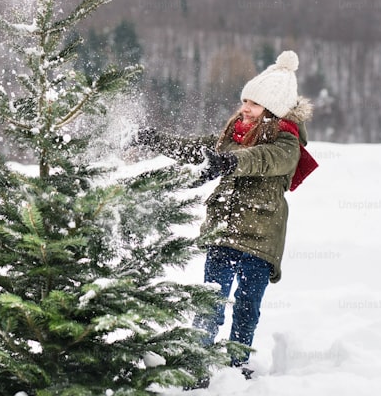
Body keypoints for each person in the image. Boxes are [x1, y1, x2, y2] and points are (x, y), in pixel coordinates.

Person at [133, 50, 316, 378]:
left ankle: (237, 365)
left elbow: (266, 158)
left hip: (260, 242)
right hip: (224, 234)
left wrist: (233, 162)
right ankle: (196, 362)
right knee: (210, 304)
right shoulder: (234, 137)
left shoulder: (287, 143)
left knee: (246, 309)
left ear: (272, 112)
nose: (244, 108)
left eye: (254, 104)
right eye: (244, 100)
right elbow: (198, 149)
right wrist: (157, 142)